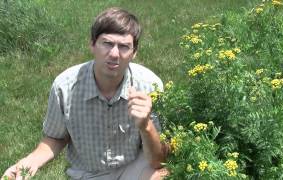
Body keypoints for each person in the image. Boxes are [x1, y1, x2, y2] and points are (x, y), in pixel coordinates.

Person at [2, 7, 168, 180]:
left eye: (124, 47)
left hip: (133, 166)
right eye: (107, 43)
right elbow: (56, 138)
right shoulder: (65, 87)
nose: (114, 54)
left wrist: (146, 126)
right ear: (92, 44)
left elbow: (159, 161)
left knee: (161, 175)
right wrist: (30, 162)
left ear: (134, 52)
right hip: (88, 173)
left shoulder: (150, 86)